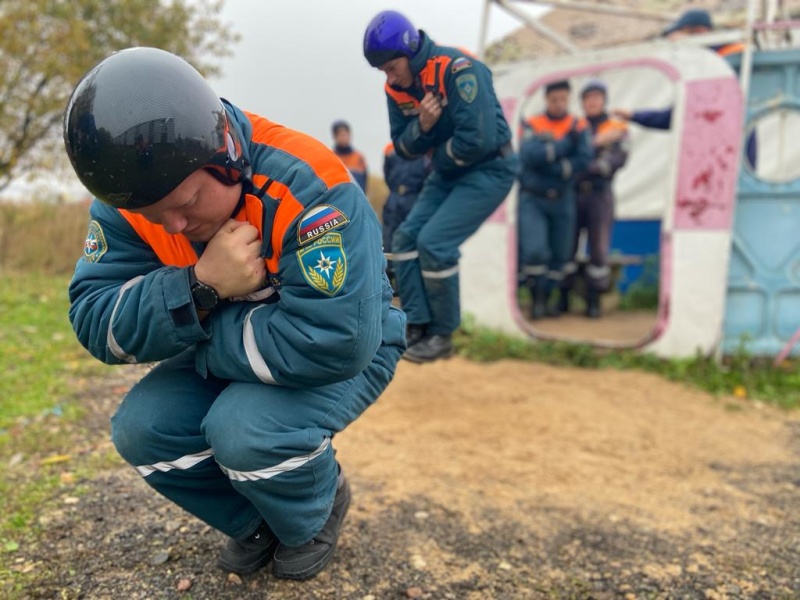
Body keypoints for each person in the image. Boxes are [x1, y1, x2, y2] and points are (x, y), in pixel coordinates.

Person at [63, 47, 405, 581]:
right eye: (150, 215)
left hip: (356, 343)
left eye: (187, 202)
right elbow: (94, 321)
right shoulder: (130, 199)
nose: (173, 227)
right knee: (141, 429)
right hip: (246, 345)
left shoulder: (307, 182)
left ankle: (316, 509)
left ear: (224, 152)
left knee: (244, 431)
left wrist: (195, 329)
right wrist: (199, 288)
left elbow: (338, 339)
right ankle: (255, 521)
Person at [363, 10, 517, 363]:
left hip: (490, 168)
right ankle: (417, 325)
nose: (389, 77)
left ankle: (442, 334)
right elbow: (403, 147)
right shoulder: (395, 89)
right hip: (447, 172)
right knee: (405, 239)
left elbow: (478, 140)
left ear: (409, 50)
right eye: (383, 71)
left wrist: (433, 151)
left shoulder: (458, 68)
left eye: (392, 67)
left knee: (435, 242)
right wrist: (424, 126)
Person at [518, 80, 592, 320]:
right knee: (535, 251)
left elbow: (584, 159)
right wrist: (565, 145)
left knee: (560, 254)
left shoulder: (578, 125)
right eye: (554, 99)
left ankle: (549, 298)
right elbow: (529, 155)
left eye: (563, 99)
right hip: (534, 198)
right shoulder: (533, 123)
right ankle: (536, 300)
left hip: (563, 199)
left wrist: (553, 164)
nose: (559, 104)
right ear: (546, 99)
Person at [560, 80, 630, 318]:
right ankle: (563, 298)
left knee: (599, 249)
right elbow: (565, 159)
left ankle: (593, 301)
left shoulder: (616, 126)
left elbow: (617, 160)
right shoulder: (574, 126)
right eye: (588, 98)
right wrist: (597, 144)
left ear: (604, 100)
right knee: (567, 246)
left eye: (597, 97)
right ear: (582, 102)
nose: (592, 102)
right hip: (573, 195)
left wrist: (585, 163)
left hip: (600, 195)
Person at [381, 142, 431, 285]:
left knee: (411, 237)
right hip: (394, 198)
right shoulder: (389, 149)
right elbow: (387, 173)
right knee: (389, 237)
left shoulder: (423, 145)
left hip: (414, 197)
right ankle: (389, 277)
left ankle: (411, 278)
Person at [331, 120, 369, 193]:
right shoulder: (332, 158)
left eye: (345, 134)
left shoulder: (359, 157)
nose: (343, 138)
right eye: (340, 135)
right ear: (335, 137)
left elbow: (365, 181)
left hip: (356, 196)